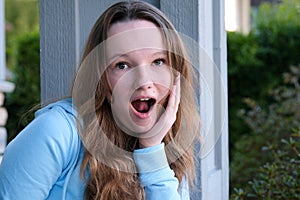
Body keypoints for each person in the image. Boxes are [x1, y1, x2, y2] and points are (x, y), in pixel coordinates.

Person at [0, 1, 200, 199]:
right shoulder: (56, 131)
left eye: (158, 61)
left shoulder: (167, 143)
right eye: (122, 65)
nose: (144, 81)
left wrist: (152, 150)